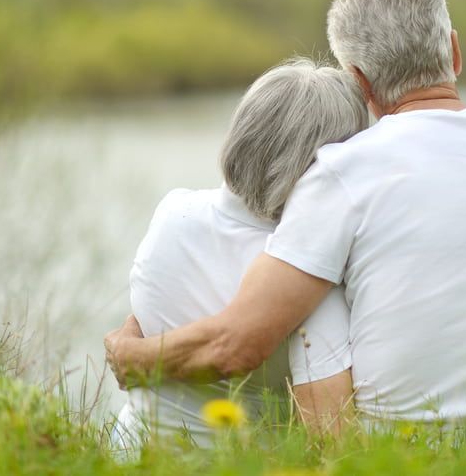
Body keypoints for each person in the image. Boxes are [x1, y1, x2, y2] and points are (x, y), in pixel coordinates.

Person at [105, 0, 466, 431]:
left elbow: (237, 342)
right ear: (454, 52)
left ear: (359, 81)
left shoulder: (341, 174)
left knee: (324, 283)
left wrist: (135, 358)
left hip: (405, 455)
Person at [111, 59, 368, 449]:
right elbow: (332, 440)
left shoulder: (172, 212)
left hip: (128, 452)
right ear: (323, 167)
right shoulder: (308, 281)